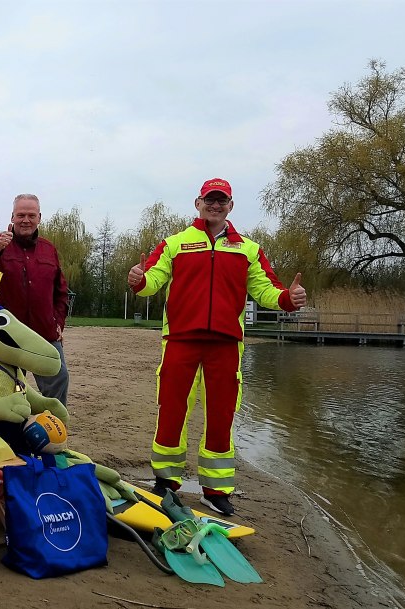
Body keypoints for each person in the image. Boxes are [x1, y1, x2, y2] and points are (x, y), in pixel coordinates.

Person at [127, 178, 306, 516]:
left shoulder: (248, 249)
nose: (215, 205)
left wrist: (288, 299)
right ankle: (166, 482)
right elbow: (152, 282)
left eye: (221, 200)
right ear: (198, 203)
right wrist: (139, 280)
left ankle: (216, 489)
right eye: (210, 199)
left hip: (225, 345)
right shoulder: (175, 244)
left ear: (230, 206)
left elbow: (267, 291)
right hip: (180, 341)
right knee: (171, 410)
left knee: (221, 416)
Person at [0, 194, 70, 406]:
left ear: (39, 218)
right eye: (20, 215)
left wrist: (58, 323)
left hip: (44, 332)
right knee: (6, 386)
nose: (25, 220)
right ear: (12, 216)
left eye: (31, 215)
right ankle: (11, 431)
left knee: (58, 378)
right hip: (8, 333)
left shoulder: (49, 250)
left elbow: (61, 291)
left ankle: (53, 427)